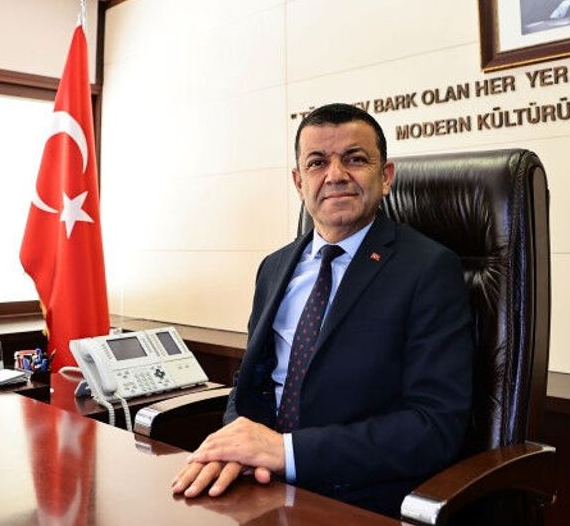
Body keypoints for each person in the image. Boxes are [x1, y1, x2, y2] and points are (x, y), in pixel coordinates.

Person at [171, 103, 473, 517]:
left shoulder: (429, 269)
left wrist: (286, 451)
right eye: (317, 163)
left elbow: (434, 426)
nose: (335, 175)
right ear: (299, 182)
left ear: (386, 176)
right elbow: (252, 381)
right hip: (261, 484)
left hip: (356, 496)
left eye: (355, 159)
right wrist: (233, 444)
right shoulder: (274, 267)